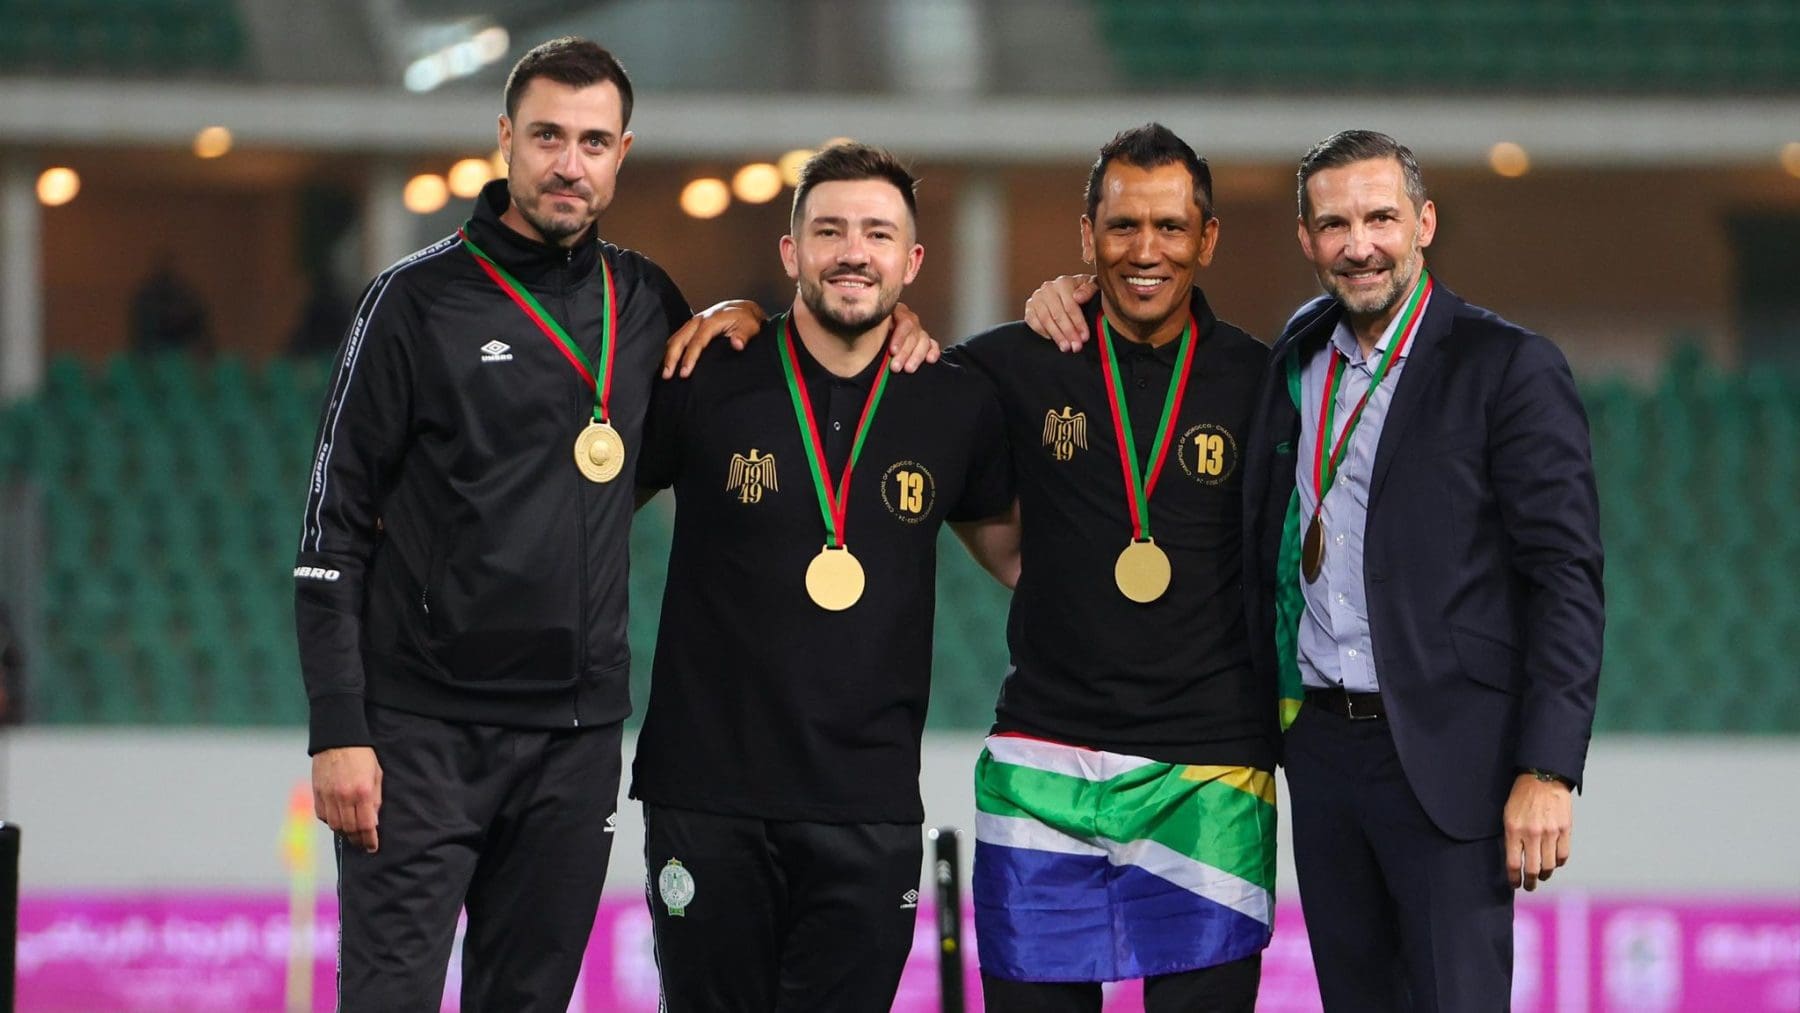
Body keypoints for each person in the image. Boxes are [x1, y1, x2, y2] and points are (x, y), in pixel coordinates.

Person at [293, 38, 934, 1012]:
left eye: (593, 141)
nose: (568, 162)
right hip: (421, 735)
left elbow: (769, 383)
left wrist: (797, 319)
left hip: (577, 737)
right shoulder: (413, 303)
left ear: (621, 152)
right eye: (547, 134)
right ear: (507, 139)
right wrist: (339, 728)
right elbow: (330, 534)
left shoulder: (643, 302)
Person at [1029, 129, 1606, 1011]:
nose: (1358, 242)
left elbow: (1566, 575)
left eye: (1380, 217)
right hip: (1323, 752)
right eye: (1334, 223)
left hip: (1448, 760)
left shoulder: (1506, 367)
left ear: (1424, 223)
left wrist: (1549, 769)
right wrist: (1070, 292)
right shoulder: (1298, 354)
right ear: (1307, 239)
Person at [631, 143, 1014, 1012]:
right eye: (830, 229)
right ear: (790, 251)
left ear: (912, 261)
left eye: (879, 233)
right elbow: (589, 517)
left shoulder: (956, 402)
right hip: (708, 795)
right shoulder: (705, 373)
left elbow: (1023, 562)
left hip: (867, 805)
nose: (853, 251)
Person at [951, 123, 1277, 1012]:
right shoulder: (1012, 361)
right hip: (1044, 765)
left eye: (1171, 227)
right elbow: (879, 374)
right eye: (1124, 226)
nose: (1146, 251)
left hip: (1207, 776)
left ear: (1206, 239)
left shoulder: (1262, 380)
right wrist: (733, 315)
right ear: (1086, 234)